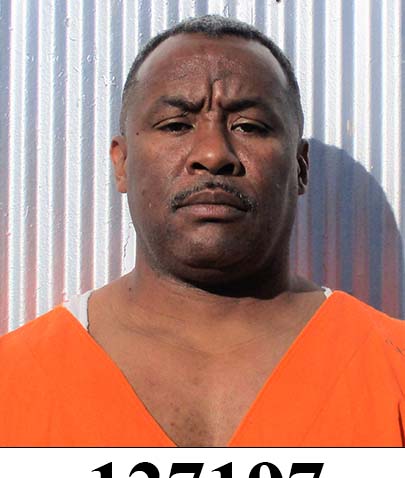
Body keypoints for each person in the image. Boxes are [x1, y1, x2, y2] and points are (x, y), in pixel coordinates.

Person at [1, 15, 404, 447]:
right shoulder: (14, 380)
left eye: (248, 126)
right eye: (176, 125)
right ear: (122, 163)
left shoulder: (392, 366)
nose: (213, 154)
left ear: (300, 167)